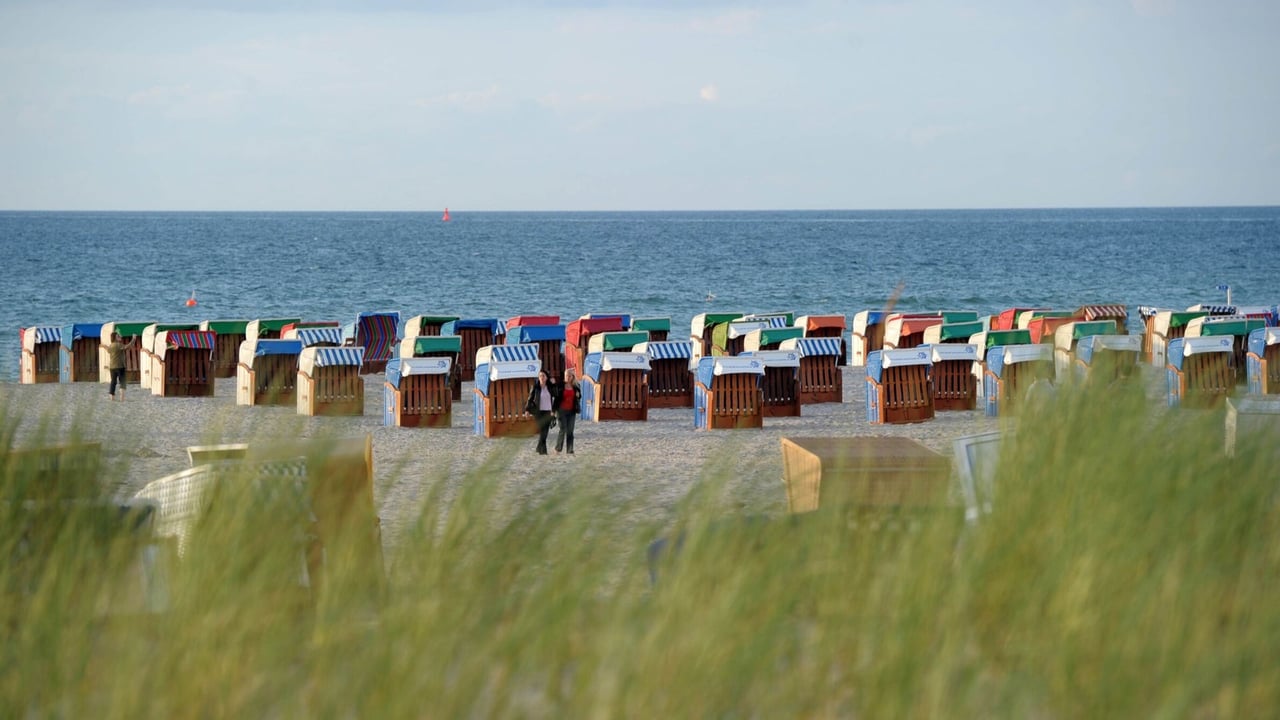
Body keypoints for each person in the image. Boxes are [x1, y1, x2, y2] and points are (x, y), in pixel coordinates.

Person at [525, 369, 556, 455]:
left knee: (545, 431)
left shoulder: (550, 387)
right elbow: (530, 399)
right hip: (538, 412)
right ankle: (543, 451)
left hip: (548, 412)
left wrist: (554, 384)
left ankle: (539, 448)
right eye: (540, 376)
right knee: (542, 430)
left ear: (546, 377)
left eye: (543, 376)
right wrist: (527, 410)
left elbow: (557, 395)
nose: (541, 377)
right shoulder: (535, 387)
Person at [553, 367, 581, 454]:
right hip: (561, 410)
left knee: (570, 430)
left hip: (571, 411)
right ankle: (558, 448)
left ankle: (570, 449)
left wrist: (578, 395)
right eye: (566, 376)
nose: (567, 377)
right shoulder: (560, 385)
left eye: (569, 376)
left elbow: (579, 396)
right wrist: (553, 410)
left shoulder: (576, 386)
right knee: (563, 429)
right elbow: (556, 398)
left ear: (572, 377)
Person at [105, 331, 137, 401]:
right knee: (122, 382)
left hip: (112, 367)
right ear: (115, 338)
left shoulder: (111, 345)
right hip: (120, 366)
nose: (120, 337)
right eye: (118, 336)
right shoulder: (118, 345)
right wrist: (133, 339)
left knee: (113, 382)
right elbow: (127, 347)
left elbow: (108, 350)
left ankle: (112, 398)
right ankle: (122, 398)